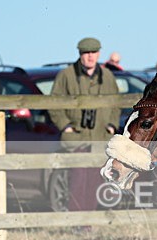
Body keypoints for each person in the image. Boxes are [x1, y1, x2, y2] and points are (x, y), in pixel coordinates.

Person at [50, 37, 120, 211]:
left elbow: (116, 104)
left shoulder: (107, 76)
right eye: (86, 53)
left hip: (100, 139)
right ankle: (77, 223)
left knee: (95, 183)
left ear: (99, 54)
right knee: (77, 182)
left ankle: (88, 224)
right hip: (77, 140)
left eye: (94, 52)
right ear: (80, 54)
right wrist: (65, 126)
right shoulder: (66, 75)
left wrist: (111, 125)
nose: (90, 57)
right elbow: (53, 104)